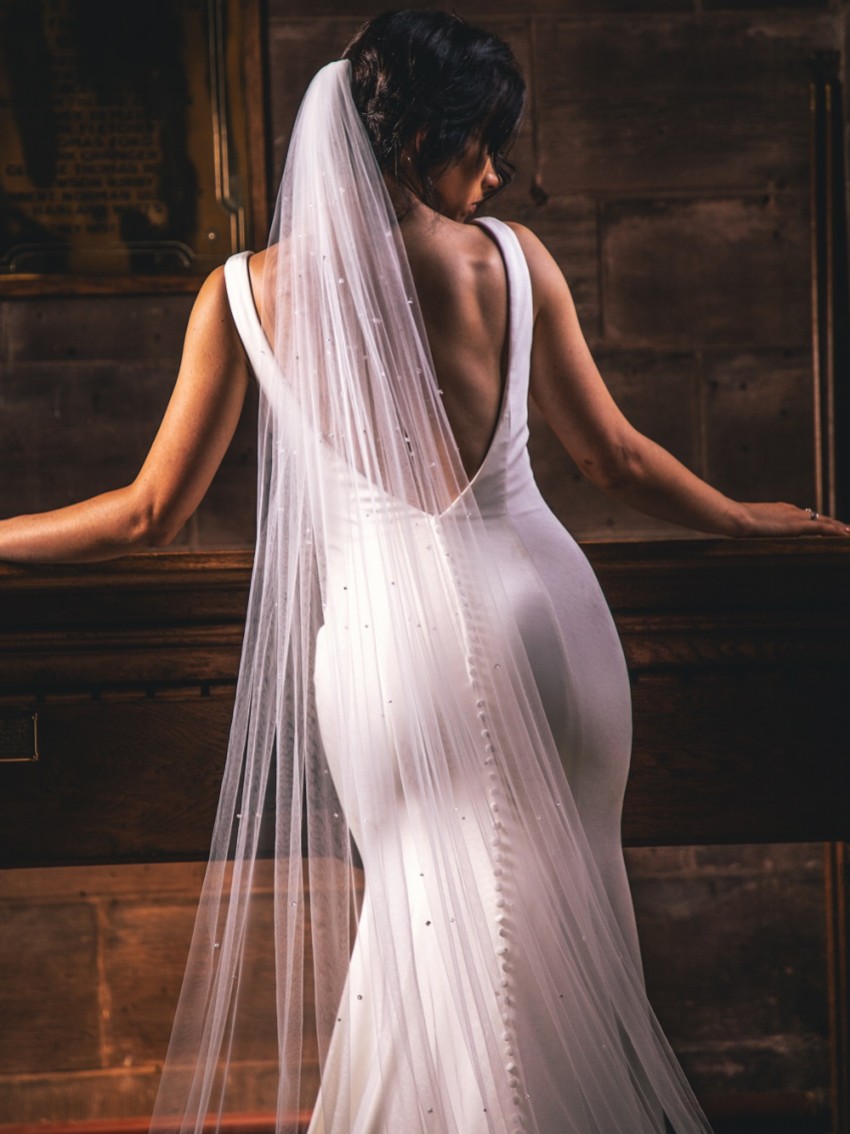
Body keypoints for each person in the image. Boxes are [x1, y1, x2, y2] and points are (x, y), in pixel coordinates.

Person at [2, 11, 847, 1134]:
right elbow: (613, 459)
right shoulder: (507, 263)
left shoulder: (243, 294)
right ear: (414, 140)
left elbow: (146, 515)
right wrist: (740, 518)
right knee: (566, 910)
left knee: (425, 922)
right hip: (546, 618)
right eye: (480, 143)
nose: (496, 173)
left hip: (388, 648)